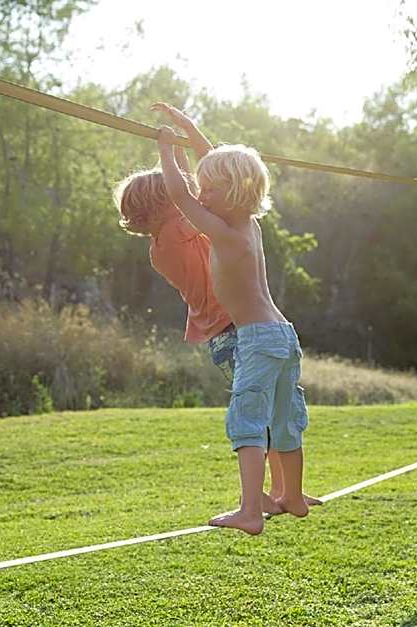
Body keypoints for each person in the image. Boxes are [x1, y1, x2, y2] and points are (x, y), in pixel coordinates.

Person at [114, 103, 319, 517]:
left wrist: (178, 139)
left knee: (254, 417)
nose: (199, 191)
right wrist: (174, 145)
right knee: (275, 417)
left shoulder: (205, 230)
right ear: (162, 209)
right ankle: (282, 495)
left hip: (244, 332)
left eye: (206, 189)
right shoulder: (186, 233)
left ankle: (267, 501)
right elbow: (201, 186)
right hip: (259, 331)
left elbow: (195, 184)